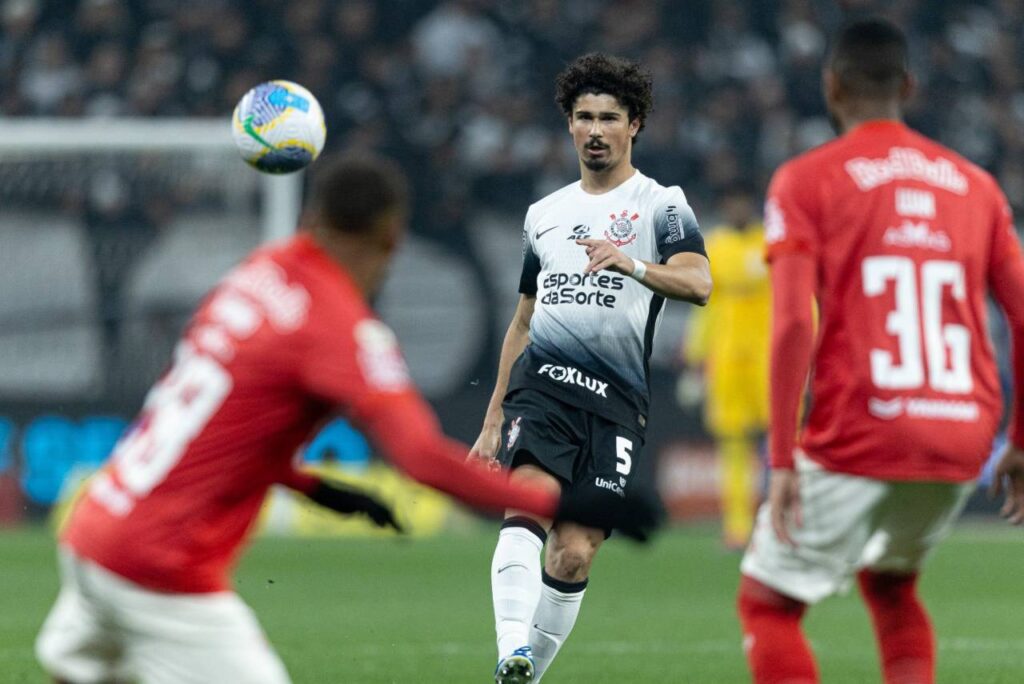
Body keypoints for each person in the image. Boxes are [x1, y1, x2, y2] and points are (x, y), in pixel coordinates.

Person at [35, 155, 659, 684]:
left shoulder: (253, 278)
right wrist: (587, 505)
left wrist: (319, 489)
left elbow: (228, 431)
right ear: (391, 237)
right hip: (158, 570)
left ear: (311, 217)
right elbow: (420, 458)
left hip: (98, 528)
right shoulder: (340, 328)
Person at [737, 18, 1024, 684]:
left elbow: (790, 324)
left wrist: (782, 457)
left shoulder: (806, 181)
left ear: (831, 86)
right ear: (909, 86)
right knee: (892, 585)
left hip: (862, 425)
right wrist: (1018, 437)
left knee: (768, 605)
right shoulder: (975, 186)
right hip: (959, 433)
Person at [469, 53, 712, 683]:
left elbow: (699, 282)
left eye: (609, 117)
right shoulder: (544, 215)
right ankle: (510, 650)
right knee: (527, 505)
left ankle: (523, 676)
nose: (595, 129)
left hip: (617, 403)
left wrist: (631, 264)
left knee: (574, 554)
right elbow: (523, 320)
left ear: (634, 125)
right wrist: (494, 417)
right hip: (543, 387)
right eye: (584, 117)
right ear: (569, 126)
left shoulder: (661, 204)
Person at [681, 181, 770, 549]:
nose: (737, 209)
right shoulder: (713, 247)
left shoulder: (771, 243)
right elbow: (706, 307)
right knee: (732, 447)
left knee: (782, 445)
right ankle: (738, 529)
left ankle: (784, 524)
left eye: (742, 201)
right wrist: (694, 358)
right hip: (728, 359)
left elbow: (799, 301)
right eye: (731, 202)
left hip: (769, 358)